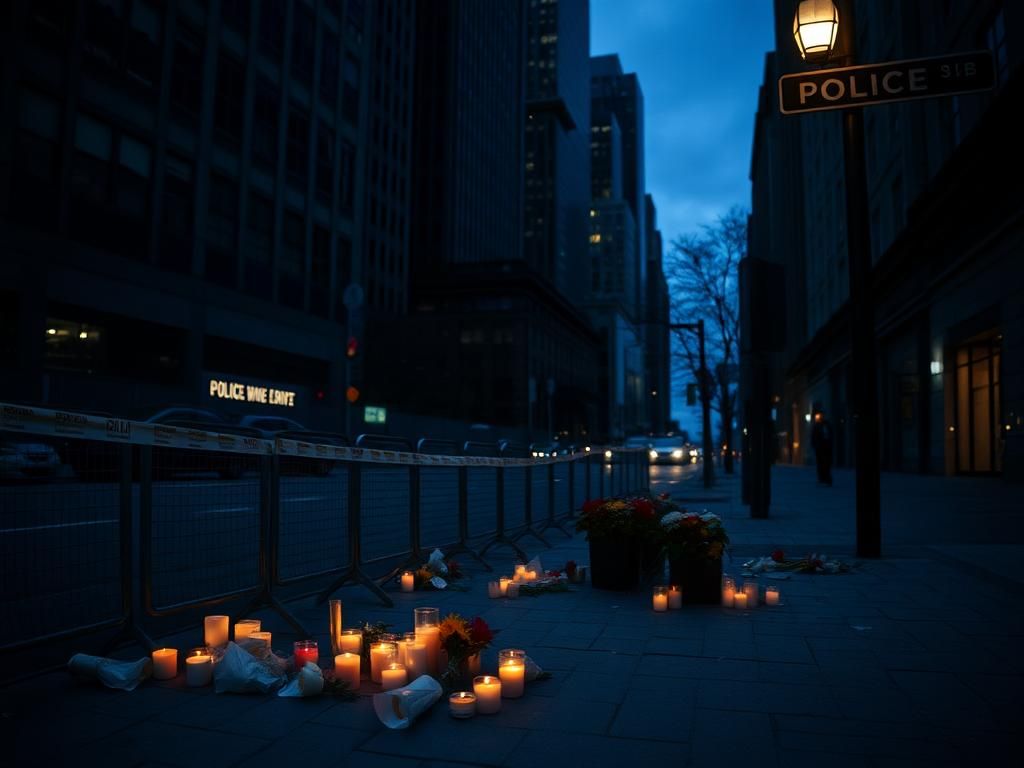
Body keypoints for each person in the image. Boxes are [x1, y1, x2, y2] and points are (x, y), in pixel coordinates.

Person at [811, 410, 833, 486]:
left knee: (826, 463)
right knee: (820, 463)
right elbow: (814, 436)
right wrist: (815, 445)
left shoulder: (827, 425)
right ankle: (822, 478)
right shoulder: (817, 426)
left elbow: (830, 436)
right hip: (820, 448)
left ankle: (827, 478)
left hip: (826, 447)